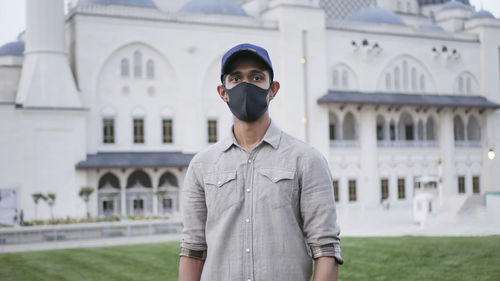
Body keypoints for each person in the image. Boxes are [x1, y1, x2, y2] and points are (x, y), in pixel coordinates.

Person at [178, 43, 343, 281]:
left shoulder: (306, 159)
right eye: (236, 78)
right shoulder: (202, 165)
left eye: (256, 77)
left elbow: (325, 248)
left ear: (272, 89)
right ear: (223, 92)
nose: (246, 85)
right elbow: (193, 249)